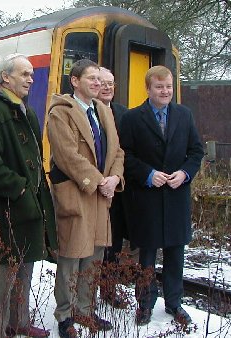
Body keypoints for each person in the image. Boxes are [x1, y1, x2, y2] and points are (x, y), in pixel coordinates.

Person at [0, 53, 57, 338]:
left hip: (29, 208)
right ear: (5, 77)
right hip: (8, 208)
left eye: (32, 74)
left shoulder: (26, 111)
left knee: (25, 269)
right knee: (1, 276)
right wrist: (20, 187)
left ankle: (18, 322)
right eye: (24, 74)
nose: (31, 79)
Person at [120, 65, 204, 325]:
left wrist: (185, 174)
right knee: (146, 256)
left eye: (168, 86)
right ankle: (144, 304)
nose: (165, 91)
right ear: (148, 89)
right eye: (159, 87)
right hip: (147, 199)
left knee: (175, 255)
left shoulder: (184, 115)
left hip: (177, 197)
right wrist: (148, 174)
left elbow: (196, 151)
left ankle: (174, 304)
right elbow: (125, 156)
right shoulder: (132, 119)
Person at [47, 59, 125, 338]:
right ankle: (65, 315)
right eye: (90, 78)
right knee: (71, 255)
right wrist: (99, 181)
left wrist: (115, 178)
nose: (97, 83)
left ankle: (85, 308)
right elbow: (68, 155)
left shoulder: (104, 111)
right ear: (75, 81)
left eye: (99, 79)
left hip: (101, 194)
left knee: (95, 253)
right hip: (77, 191)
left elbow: (117, 151)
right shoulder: (60, 113)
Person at [97, 67, 129, 308]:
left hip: (116, 190)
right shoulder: (86, 113)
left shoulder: (122, 113)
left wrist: (116, 179)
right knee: (94, 243)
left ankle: (108, 290)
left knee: (114, 242)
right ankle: (86, 294)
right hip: (94, 189)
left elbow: (125, 151)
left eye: (112, 83)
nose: (108, 88)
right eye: (103, 83)